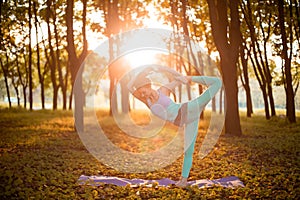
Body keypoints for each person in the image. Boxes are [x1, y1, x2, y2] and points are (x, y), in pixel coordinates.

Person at [127, 66, 222, 187]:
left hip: (187, 110)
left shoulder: (163, 90)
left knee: (217, 82)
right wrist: (143, 70)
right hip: (189, 120)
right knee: (189, 151)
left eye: (143, 91)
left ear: (148, 85)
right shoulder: (147, 102)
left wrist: (185, 78)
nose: (143, 95)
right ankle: (183, 181)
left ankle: (191, 77)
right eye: (140, 93)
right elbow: (129, 87)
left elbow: (178, 79)